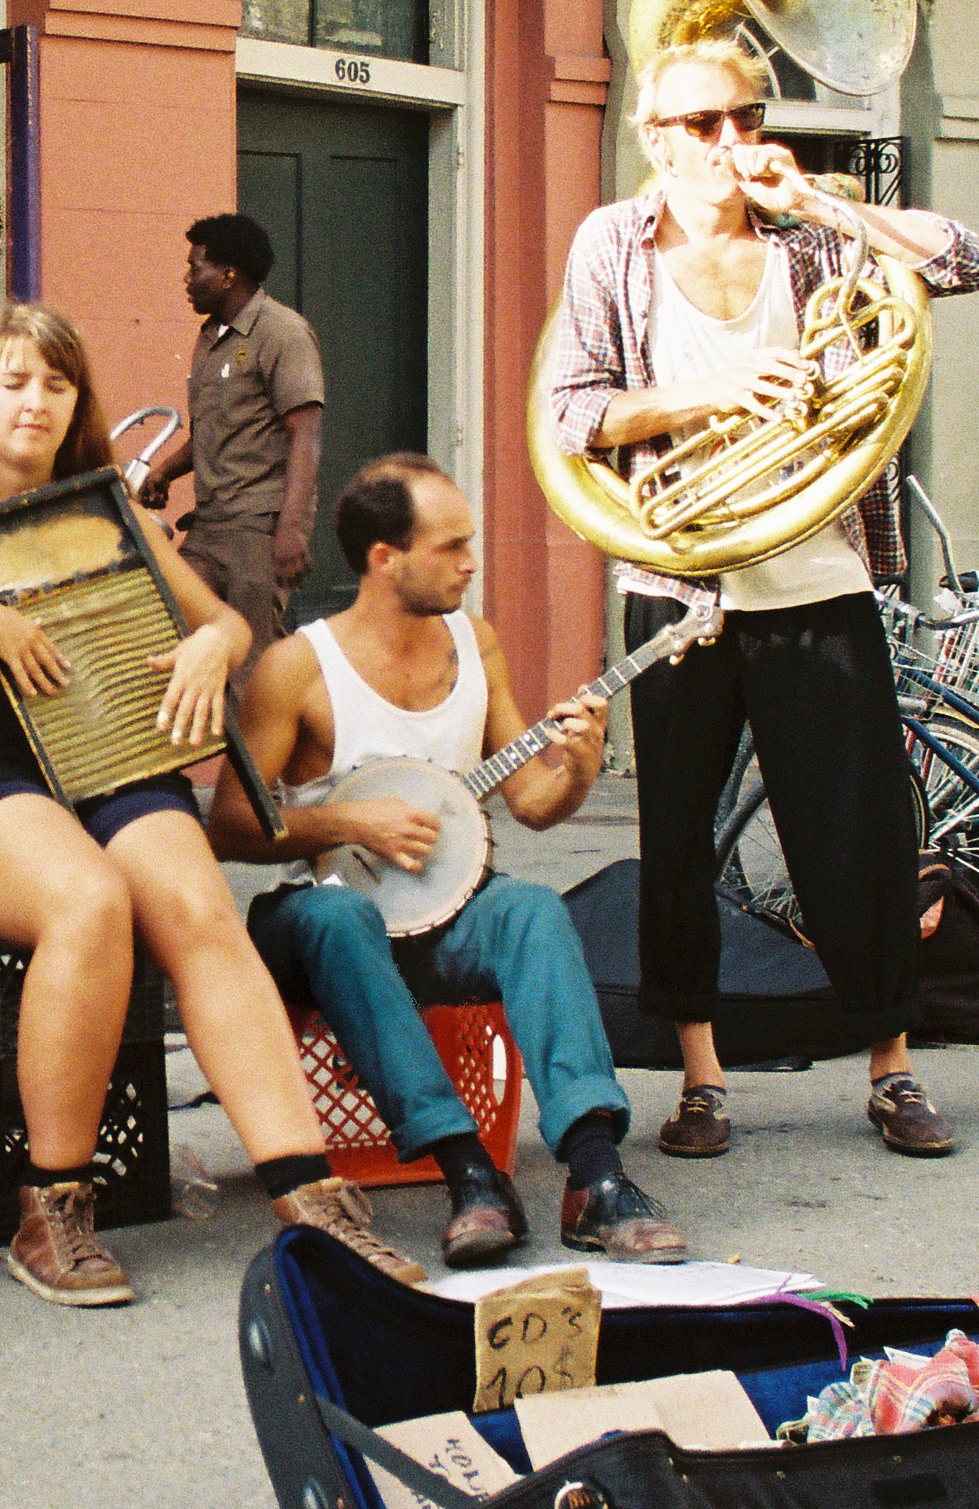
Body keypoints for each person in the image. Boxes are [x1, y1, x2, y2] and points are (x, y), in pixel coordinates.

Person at [0, 300, 422, 1307]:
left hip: (106, 754)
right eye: (12, 380)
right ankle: (52, 1204)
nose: (33, 401)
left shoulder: (112, 510)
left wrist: (207, 646)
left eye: (53, 384)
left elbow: (232, 628)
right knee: (88, 901)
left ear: (75, 401)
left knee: (196, 909)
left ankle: (303, 1188)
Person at [540, 38, 979, 1162]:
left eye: (745, 116)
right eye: (703, 124)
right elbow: (571, 412)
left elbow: (969, 262)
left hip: (816, 576)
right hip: (683, 584)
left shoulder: (808, 231)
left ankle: (890, 1068)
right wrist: (711, 392)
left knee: (859, 834)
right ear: (655, 136)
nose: (731, 142)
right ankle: (700, 1078)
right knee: (680, 839)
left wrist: (834, 212)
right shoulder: (613, 242)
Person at [212, 457, 688, 1268]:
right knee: (335, 915)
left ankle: (596, 1175)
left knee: (532, 910)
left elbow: (532, 803)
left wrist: (577, 760)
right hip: (319, 921)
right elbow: (226, 824)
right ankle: (468, 1171)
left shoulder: (476, 643)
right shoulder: (300, 666)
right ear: (383, 559)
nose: (472, 561)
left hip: (445, 912)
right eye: (451, 545)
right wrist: (344, 817)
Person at [135, 211, 322, 655]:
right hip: (209, 527)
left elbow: (306, 436)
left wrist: (291, 530)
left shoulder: (282, 332)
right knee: (171, 627)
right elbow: (217, 431)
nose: (187, 277)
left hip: (258, 529)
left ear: (227, 274)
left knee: (248, 665)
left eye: (195, 266)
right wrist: (164, 472)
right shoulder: (211, 338)